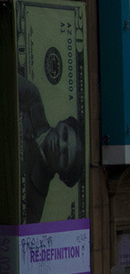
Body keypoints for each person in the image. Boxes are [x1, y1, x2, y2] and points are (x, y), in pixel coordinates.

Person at [18, 74, 84, 225]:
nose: (61, 145)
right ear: (61, 123)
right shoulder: (32, 97)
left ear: (62, 175)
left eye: (65, 157)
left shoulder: (34, 205)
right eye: (65, 135)